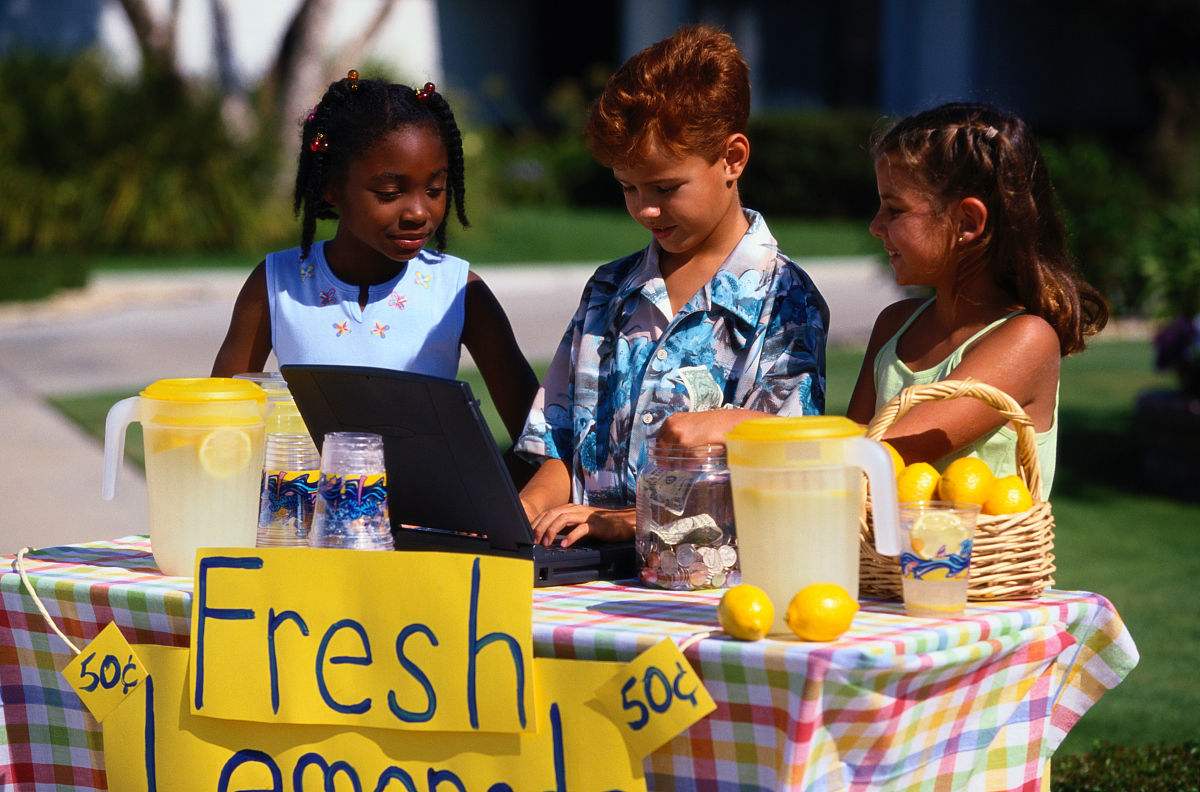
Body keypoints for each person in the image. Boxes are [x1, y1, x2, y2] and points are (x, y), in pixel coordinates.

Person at [515, 25, 829, 547]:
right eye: (628, 188)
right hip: (585, 571)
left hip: (709, 585)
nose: (644, 209)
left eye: (664, 188)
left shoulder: (787, 302)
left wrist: (620, 523)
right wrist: (526, 508)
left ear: (732, 158)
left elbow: (782, 467)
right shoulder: (609, 290)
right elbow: (560, 443)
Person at [212, 72, 537, 444]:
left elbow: (539, 443)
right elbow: (220, 422)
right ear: (332, 187)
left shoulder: (461, 293)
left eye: (435, 189)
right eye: (388, 192)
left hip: (426, 504)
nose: (418, 211)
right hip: (306, 501)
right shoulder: (277, 283)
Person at [846, 102, 1108, 496]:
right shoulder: (894, 326)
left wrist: (751, 432)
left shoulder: (1027, 340)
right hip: (882, 560)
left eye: (894, 209)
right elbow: (853, 454)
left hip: (983, 559)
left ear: (968, 223)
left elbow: (880, 453)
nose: (875, 226)